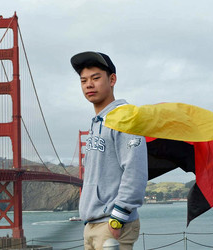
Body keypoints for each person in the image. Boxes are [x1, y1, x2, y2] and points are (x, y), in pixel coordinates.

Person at [70, 51, 148, 249]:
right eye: (83, 80)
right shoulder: (97, 123)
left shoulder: (125, 119)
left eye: (96, 78)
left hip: (112, 225)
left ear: (112, 79)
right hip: (92, 224)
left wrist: (118, 219)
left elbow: (135, 170)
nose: (89, 84)